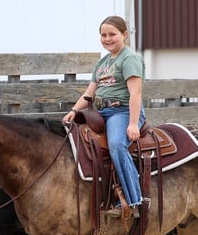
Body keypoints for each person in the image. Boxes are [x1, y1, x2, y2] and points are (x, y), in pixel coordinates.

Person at [63, 15, 146, 218]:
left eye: (112, 34)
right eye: (103, 35)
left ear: (124, 35)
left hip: (122, 111)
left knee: (117, 144)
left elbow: (135, 93)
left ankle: (133, 201)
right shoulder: (102, 63)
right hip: (100, 112)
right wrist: (74, 111)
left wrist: (133, 124)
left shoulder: (129, 59)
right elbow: (89, 94)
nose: (107, 39)